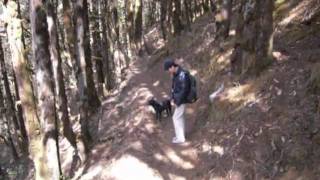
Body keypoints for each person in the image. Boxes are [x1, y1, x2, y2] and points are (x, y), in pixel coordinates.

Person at [164, 58, 191, 144]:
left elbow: (184, 91)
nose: (168, 71)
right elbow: (174, 88)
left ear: (172, 66)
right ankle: (181, 136)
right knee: (179, 117)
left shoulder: (182, 74)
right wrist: (172, 99)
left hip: (181, 100)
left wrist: (177, 102)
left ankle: (180, 138)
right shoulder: (176, 74)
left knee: (175, 117)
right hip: (178, 100)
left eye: (168, 69)